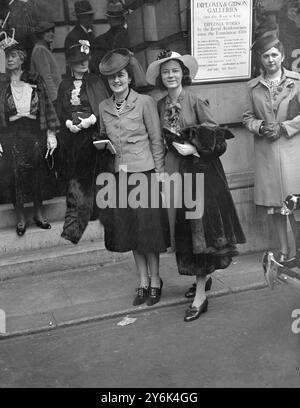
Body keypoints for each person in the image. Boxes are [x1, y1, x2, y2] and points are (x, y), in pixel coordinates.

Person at [146, 50, 246, 321]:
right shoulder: (159, 105)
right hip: (175, 172)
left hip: (201, 172)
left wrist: (194, 147)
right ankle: (202, 281)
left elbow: (218, 137)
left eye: (175, 71)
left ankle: (201, 296)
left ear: (183, 74)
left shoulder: (196, 99)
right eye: (165, 72)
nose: (170, 76)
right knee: (186, 233)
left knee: (199, 233)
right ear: (160, 77)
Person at [98, 48, 170, 307]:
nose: (117, 81)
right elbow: (105, 137)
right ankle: (141, 281)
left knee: (148, 232)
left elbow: (156, 140)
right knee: (131, 233)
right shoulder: (104, 106)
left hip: (145, 173)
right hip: (120, 176)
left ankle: (155, 280)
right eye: (112, 78)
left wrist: (160, 175)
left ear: (129, 78)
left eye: (121, 76)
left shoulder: (144, 102)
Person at [243, 32, 300, 264]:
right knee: (276, 207)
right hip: (267, 154)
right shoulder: (252, 87)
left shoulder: (296, 82)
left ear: (283, 56)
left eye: (275, 54)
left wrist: (284, 127)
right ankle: (284, 251)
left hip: (292, 152)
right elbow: (246, 117)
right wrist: (260, 126)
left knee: (295, 204)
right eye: (266, 56)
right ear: (260, 59)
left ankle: (299, 252)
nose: (271, 60)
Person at [0, 43, 59, 235]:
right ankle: (20, 218)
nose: (9, 59)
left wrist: (51, 134)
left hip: (34, 133)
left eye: (13, 56)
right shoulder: (1, 83)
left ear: (22, 58)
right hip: (11, 135)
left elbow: (47, 106)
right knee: (15, 176)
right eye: (7, 56)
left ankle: (39, 214)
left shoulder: (34, 79)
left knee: (37, 175)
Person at [55, 40, 108, 244]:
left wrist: (92, 119)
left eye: (85, 60)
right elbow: (60, 109)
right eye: (78, 62)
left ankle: (93, 212)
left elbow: (102, 104)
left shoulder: (96, 81)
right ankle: (79, 213)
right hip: (72, 137)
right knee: (75, 174)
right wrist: (68, 122)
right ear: (70, 64)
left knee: (92, 174)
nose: (83, 64)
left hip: (91, 135)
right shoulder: (65, 85)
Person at [92, 0, 130, 71]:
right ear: (124, 18)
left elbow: (96, 68)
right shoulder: (132, 37)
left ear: (108, 19)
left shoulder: (99, 41)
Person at [30, 21, 61, 104]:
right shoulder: (40, 50)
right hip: (50, 98)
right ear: (40, 35)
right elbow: (45, 76)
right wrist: (55, 99)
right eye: (47, 32)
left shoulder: (44, 48)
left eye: (52, 31)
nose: (51, 34)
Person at [64, 0, 97, 73]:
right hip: (80, 75)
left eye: (91, 15)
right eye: (87, 16)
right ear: (80, 18)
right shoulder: (73, 37)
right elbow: (73, 62)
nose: (91, 19)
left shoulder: (90, 33)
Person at [278, 0, 300, 72]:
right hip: (289, 62)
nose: (294, 13)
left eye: (296, 11)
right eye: (292, 11)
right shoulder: (284, 27)